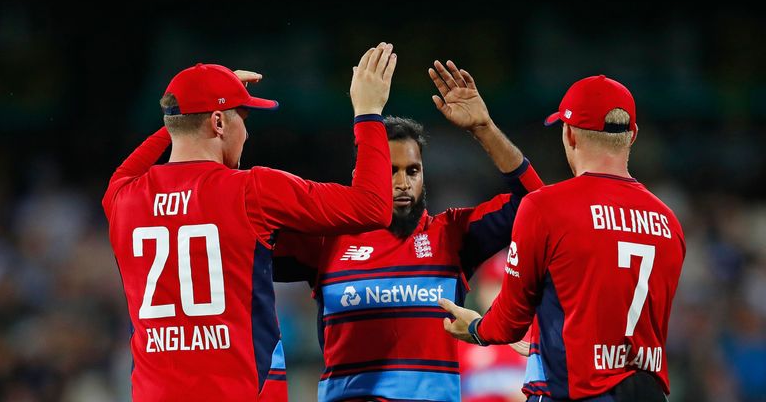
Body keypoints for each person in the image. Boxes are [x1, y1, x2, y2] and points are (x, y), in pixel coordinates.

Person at [101, 42, 397, 402]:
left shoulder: (122, 199)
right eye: (244, 117)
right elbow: (373, 207)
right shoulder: (252, 189)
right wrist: (368, 112)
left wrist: (183, 117)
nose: (248, 132)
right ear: (220, 122)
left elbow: (127, 169)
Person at [272, 60, 544, 401]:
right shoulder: (326, 240)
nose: (402, 183)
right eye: (390, 170)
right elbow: (241, 243)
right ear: (366, 172)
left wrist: (484, 128)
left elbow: (535, 204)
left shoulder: (451, 236)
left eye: (412, 171)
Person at [440, 75, 686, 402]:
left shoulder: (546, 208)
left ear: (568, 134)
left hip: (570, 392)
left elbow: (508, 323)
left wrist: (475, 329)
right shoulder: (669, 222)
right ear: (633, 136)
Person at [458, 252, 530, 402]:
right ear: (480, 293)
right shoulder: (461, 342)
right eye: (494, 286)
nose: (500, 296)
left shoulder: (538, 341)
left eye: (507, 288)